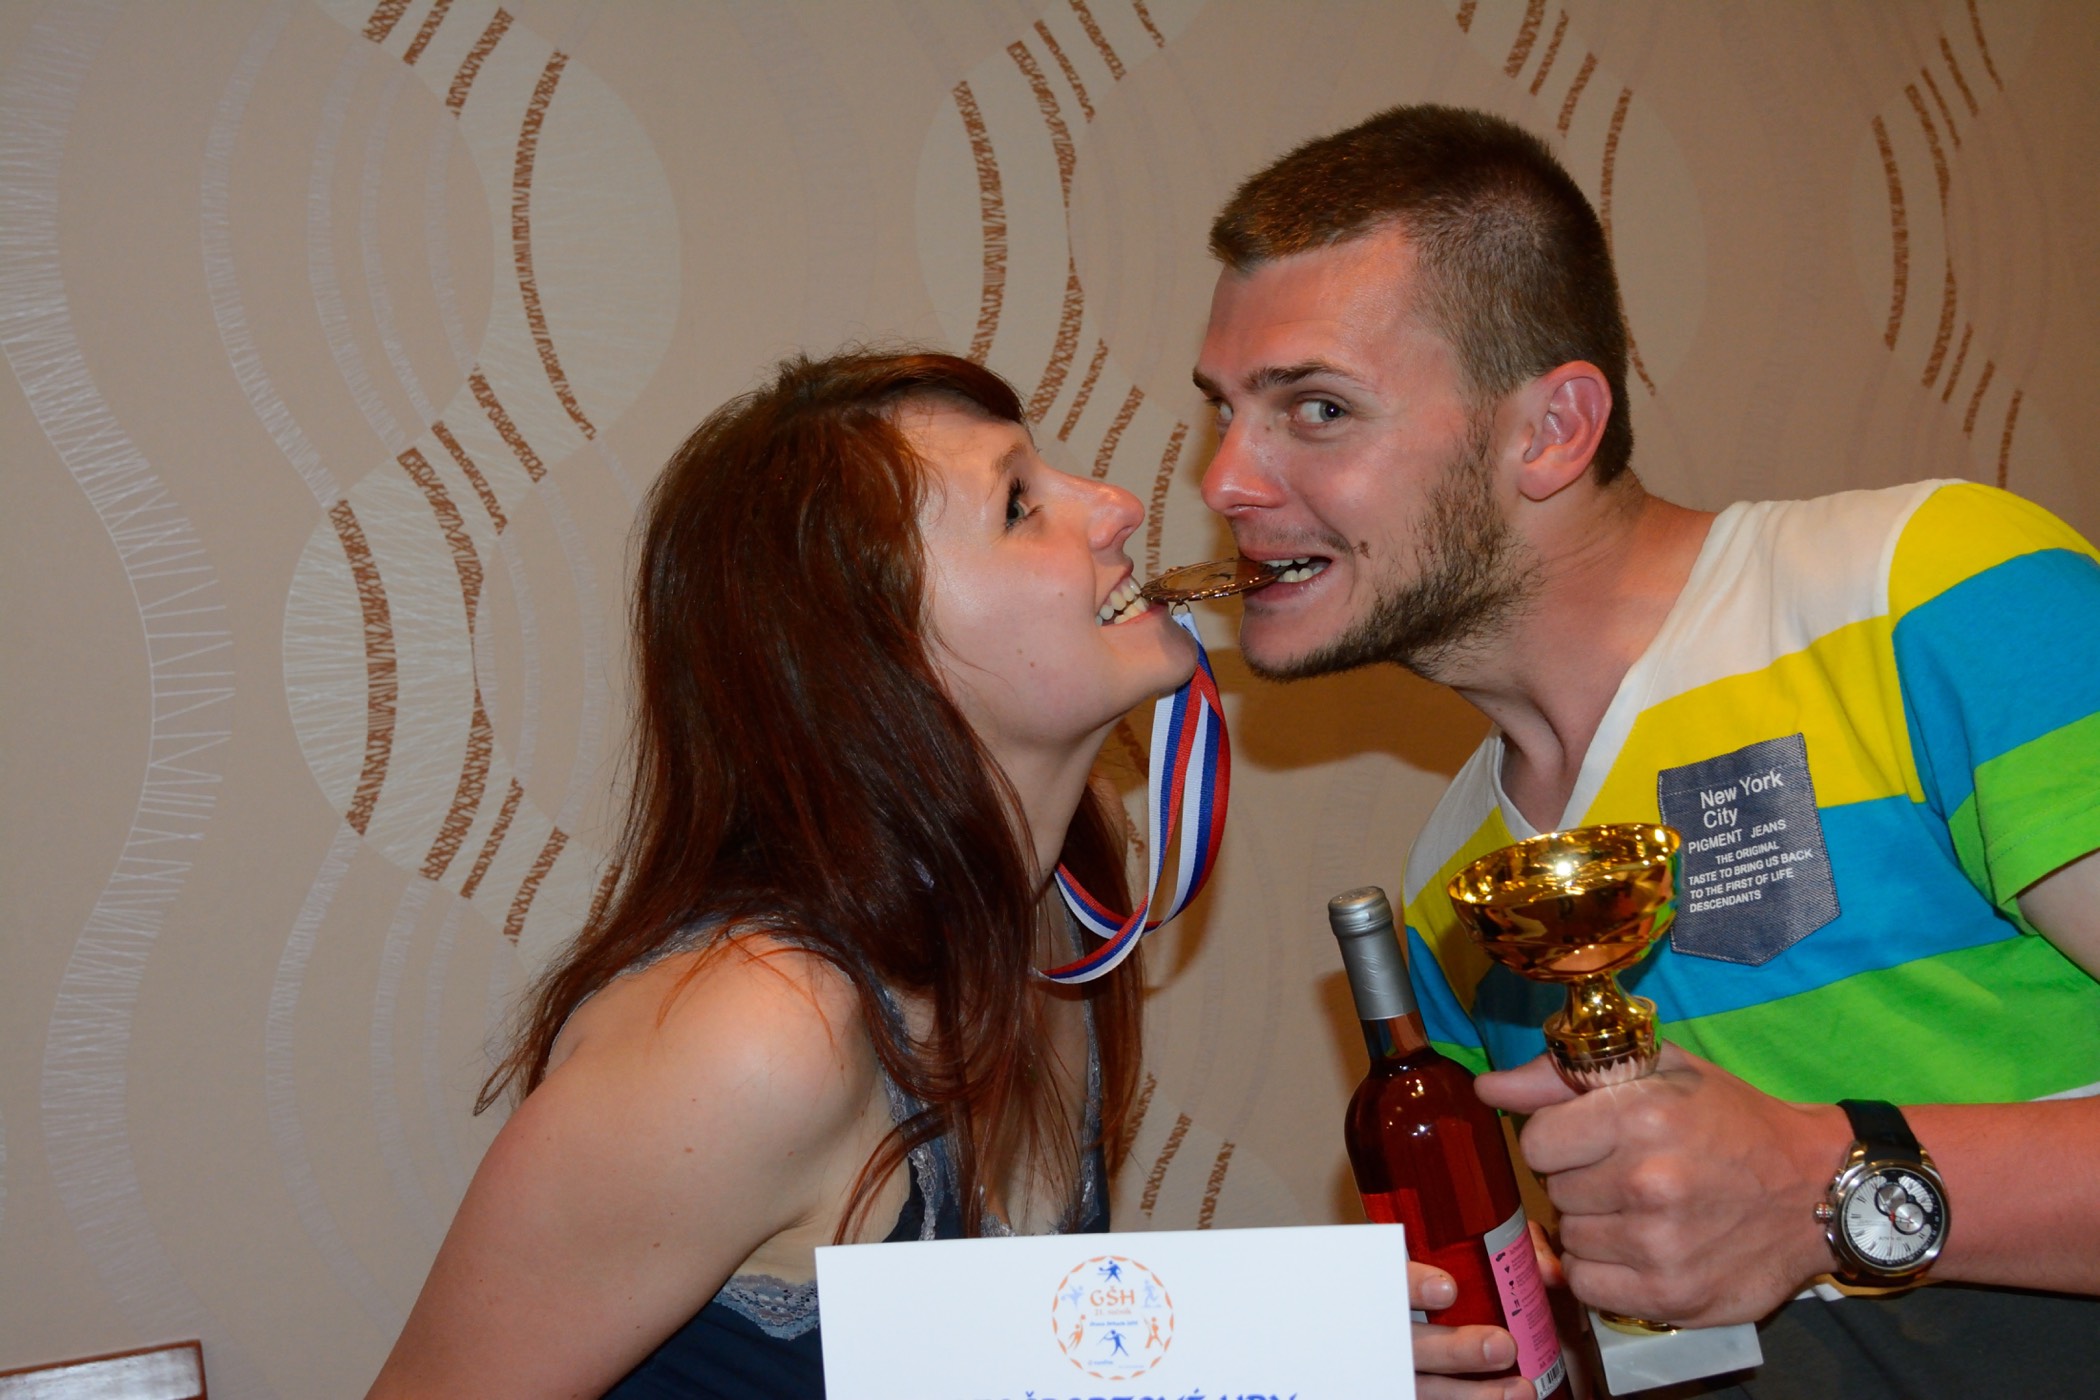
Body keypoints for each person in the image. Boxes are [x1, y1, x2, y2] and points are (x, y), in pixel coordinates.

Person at [1192, 104, 2100, 1398]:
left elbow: (1779, 1212)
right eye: (1225, 413)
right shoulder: (1456, 885)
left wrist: (1826, 1183)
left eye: (1318, 408)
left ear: (1552, 429)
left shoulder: (1930, 591)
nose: (1227, 480)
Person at [367, 349, 1197, 1398]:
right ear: (878, 653)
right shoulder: (759, 1037)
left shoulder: (1067, 892)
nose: (1119, 506)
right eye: (1019, 505)